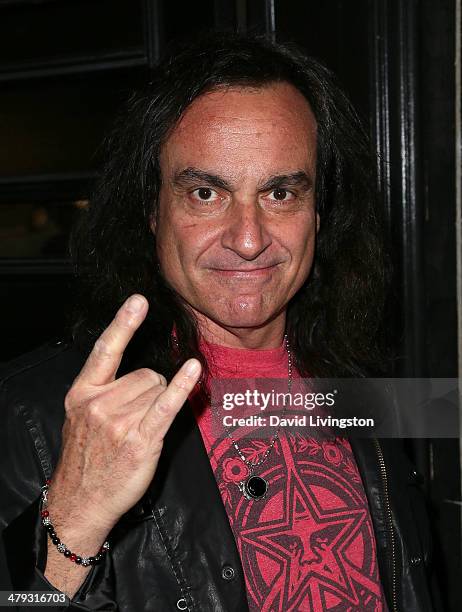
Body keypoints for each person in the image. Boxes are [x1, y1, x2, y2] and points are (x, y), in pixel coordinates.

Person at [0, 34, 440, 612]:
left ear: (320, 211)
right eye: (206, 193)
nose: (249, 239)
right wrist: (75, 518)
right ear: (152, 209)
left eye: (281, 192)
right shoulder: (34, 413)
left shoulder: (363, 383)